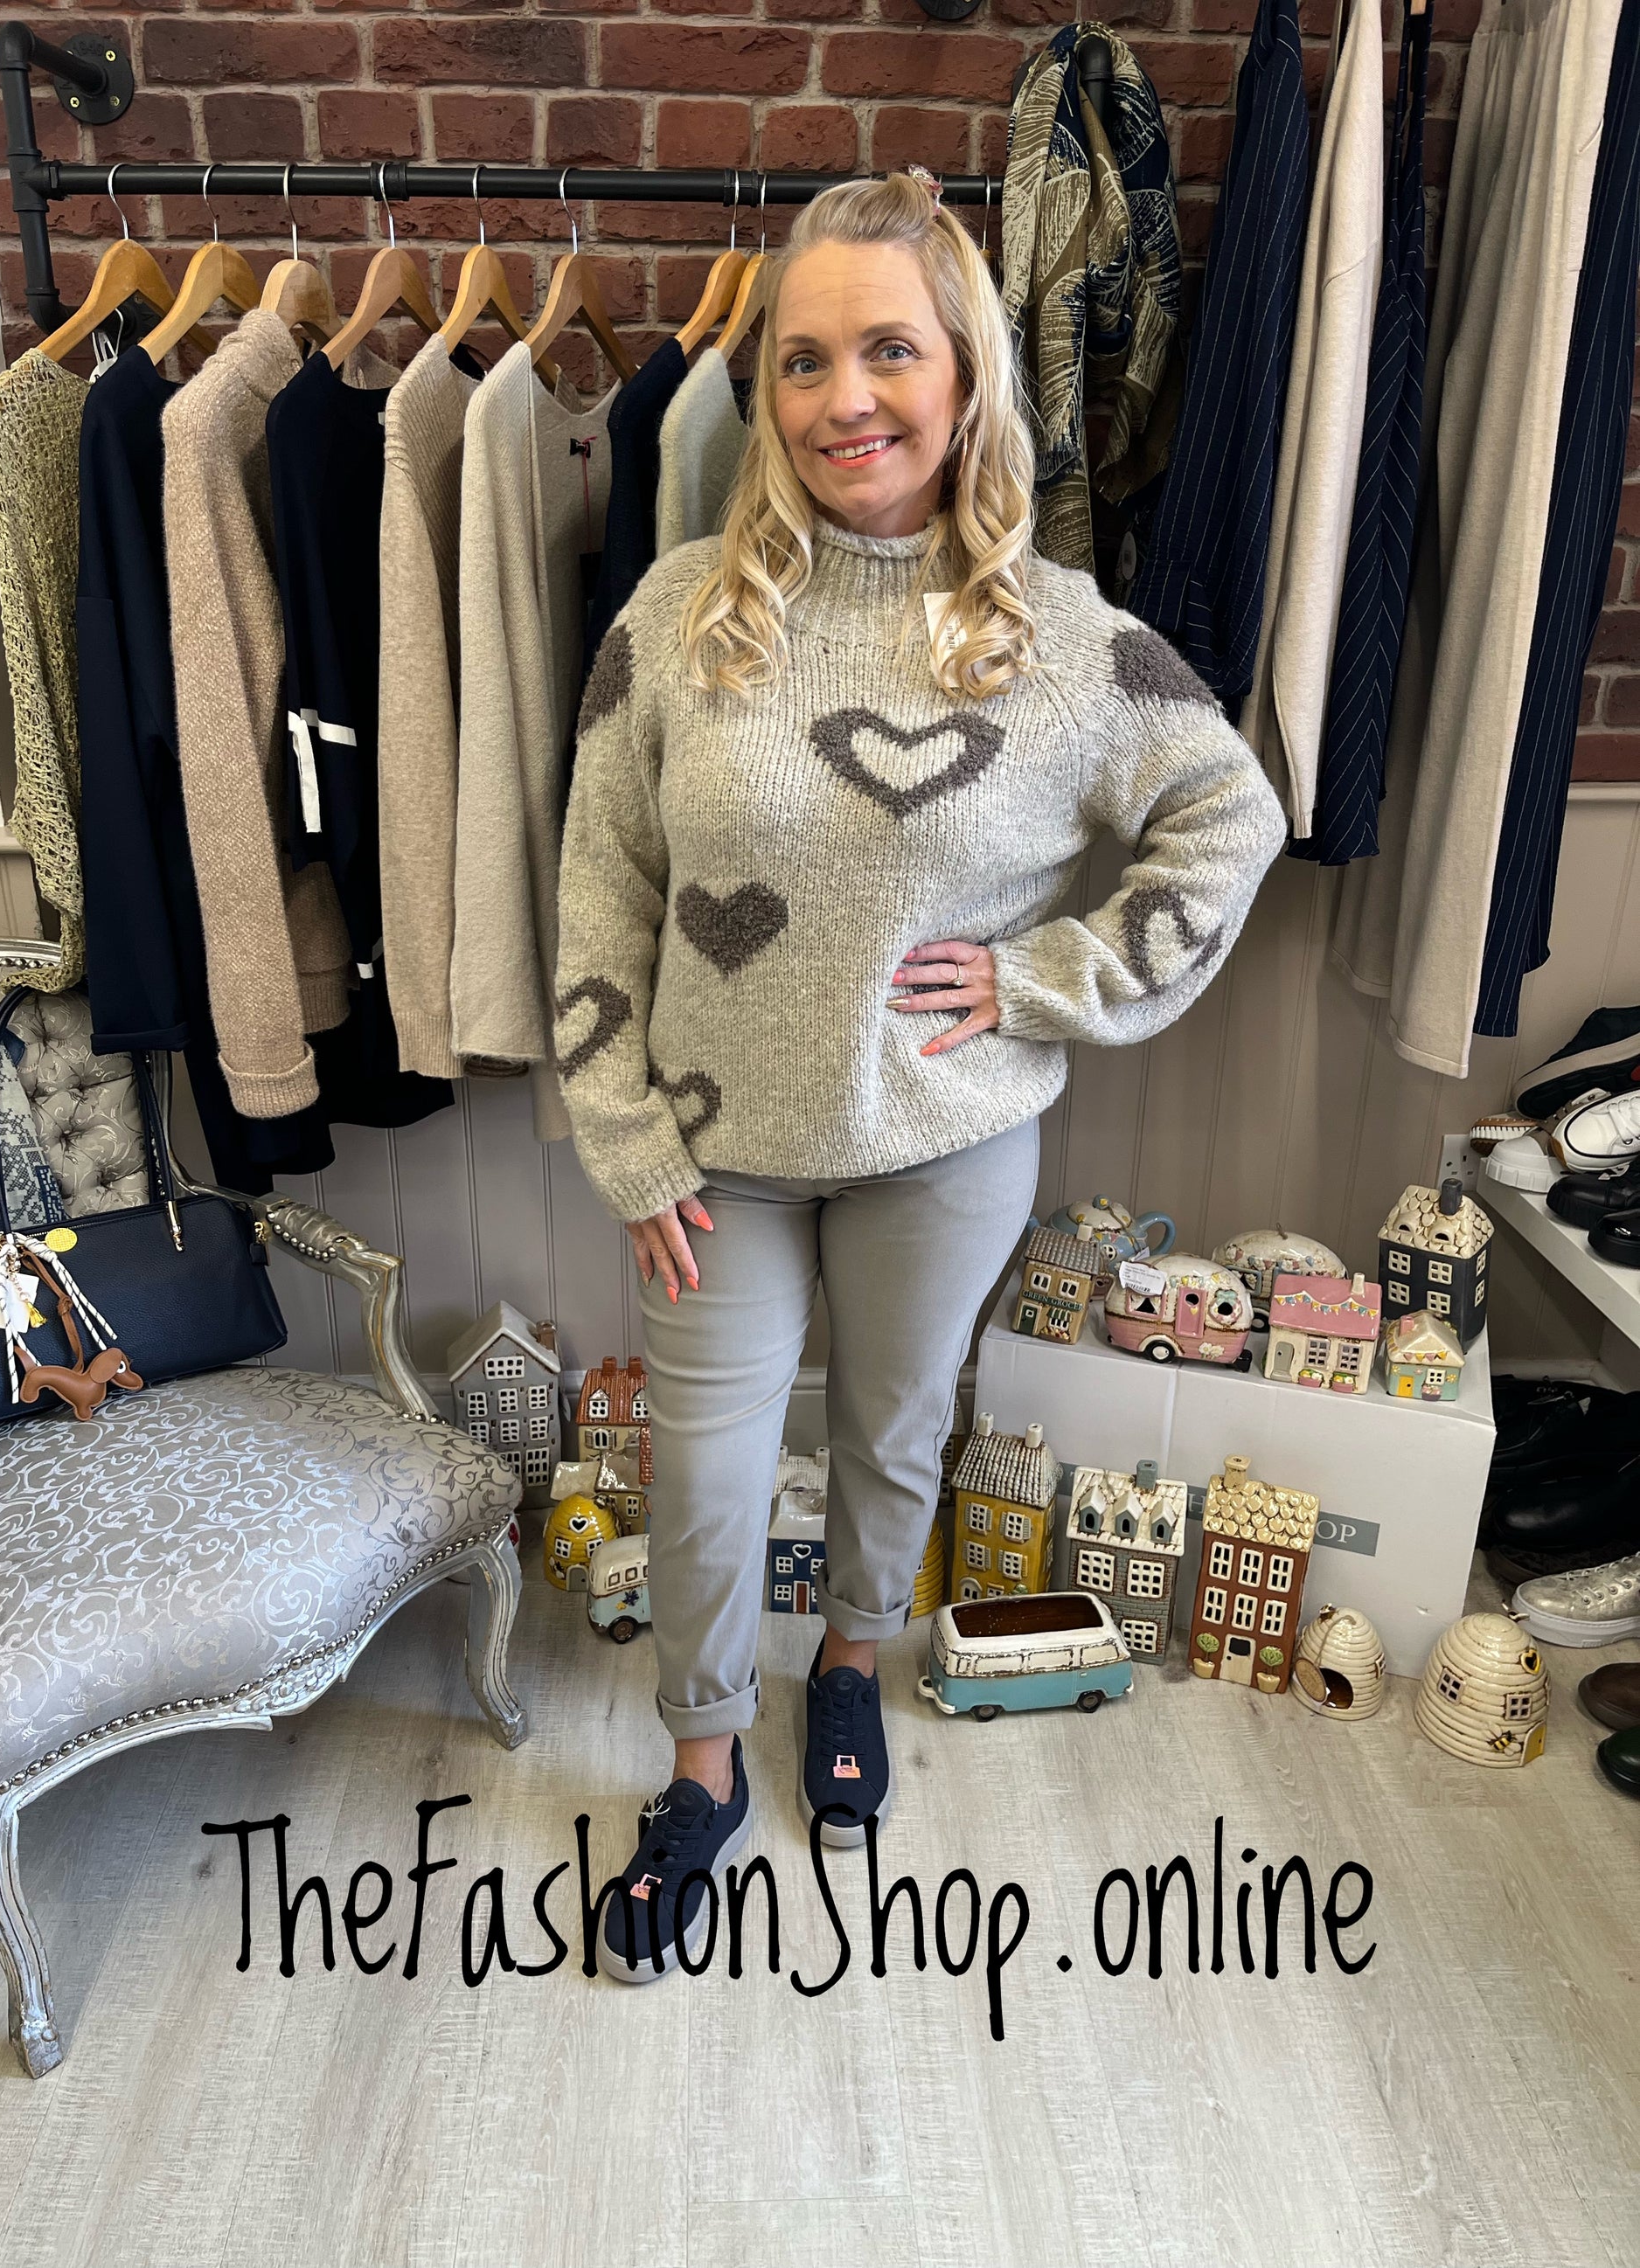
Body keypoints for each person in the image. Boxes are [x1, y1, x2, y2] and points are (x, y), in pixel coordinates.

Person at [553, 172, 1285, 1982]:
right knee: (705, 1473)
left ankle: (851, 1664)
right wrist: (625, 1137)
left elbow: (1231, 814)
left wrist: (1043, 982)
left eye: (888, 349)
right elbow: (599, 888)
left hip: (943, 1146)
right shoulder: (677, 615)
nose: (844, 399)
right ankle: (702, 1765)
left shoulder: (1062, 634)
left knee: (890, 1436)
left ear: (964, 373)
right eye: (803, 361)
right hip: (715, 1155)